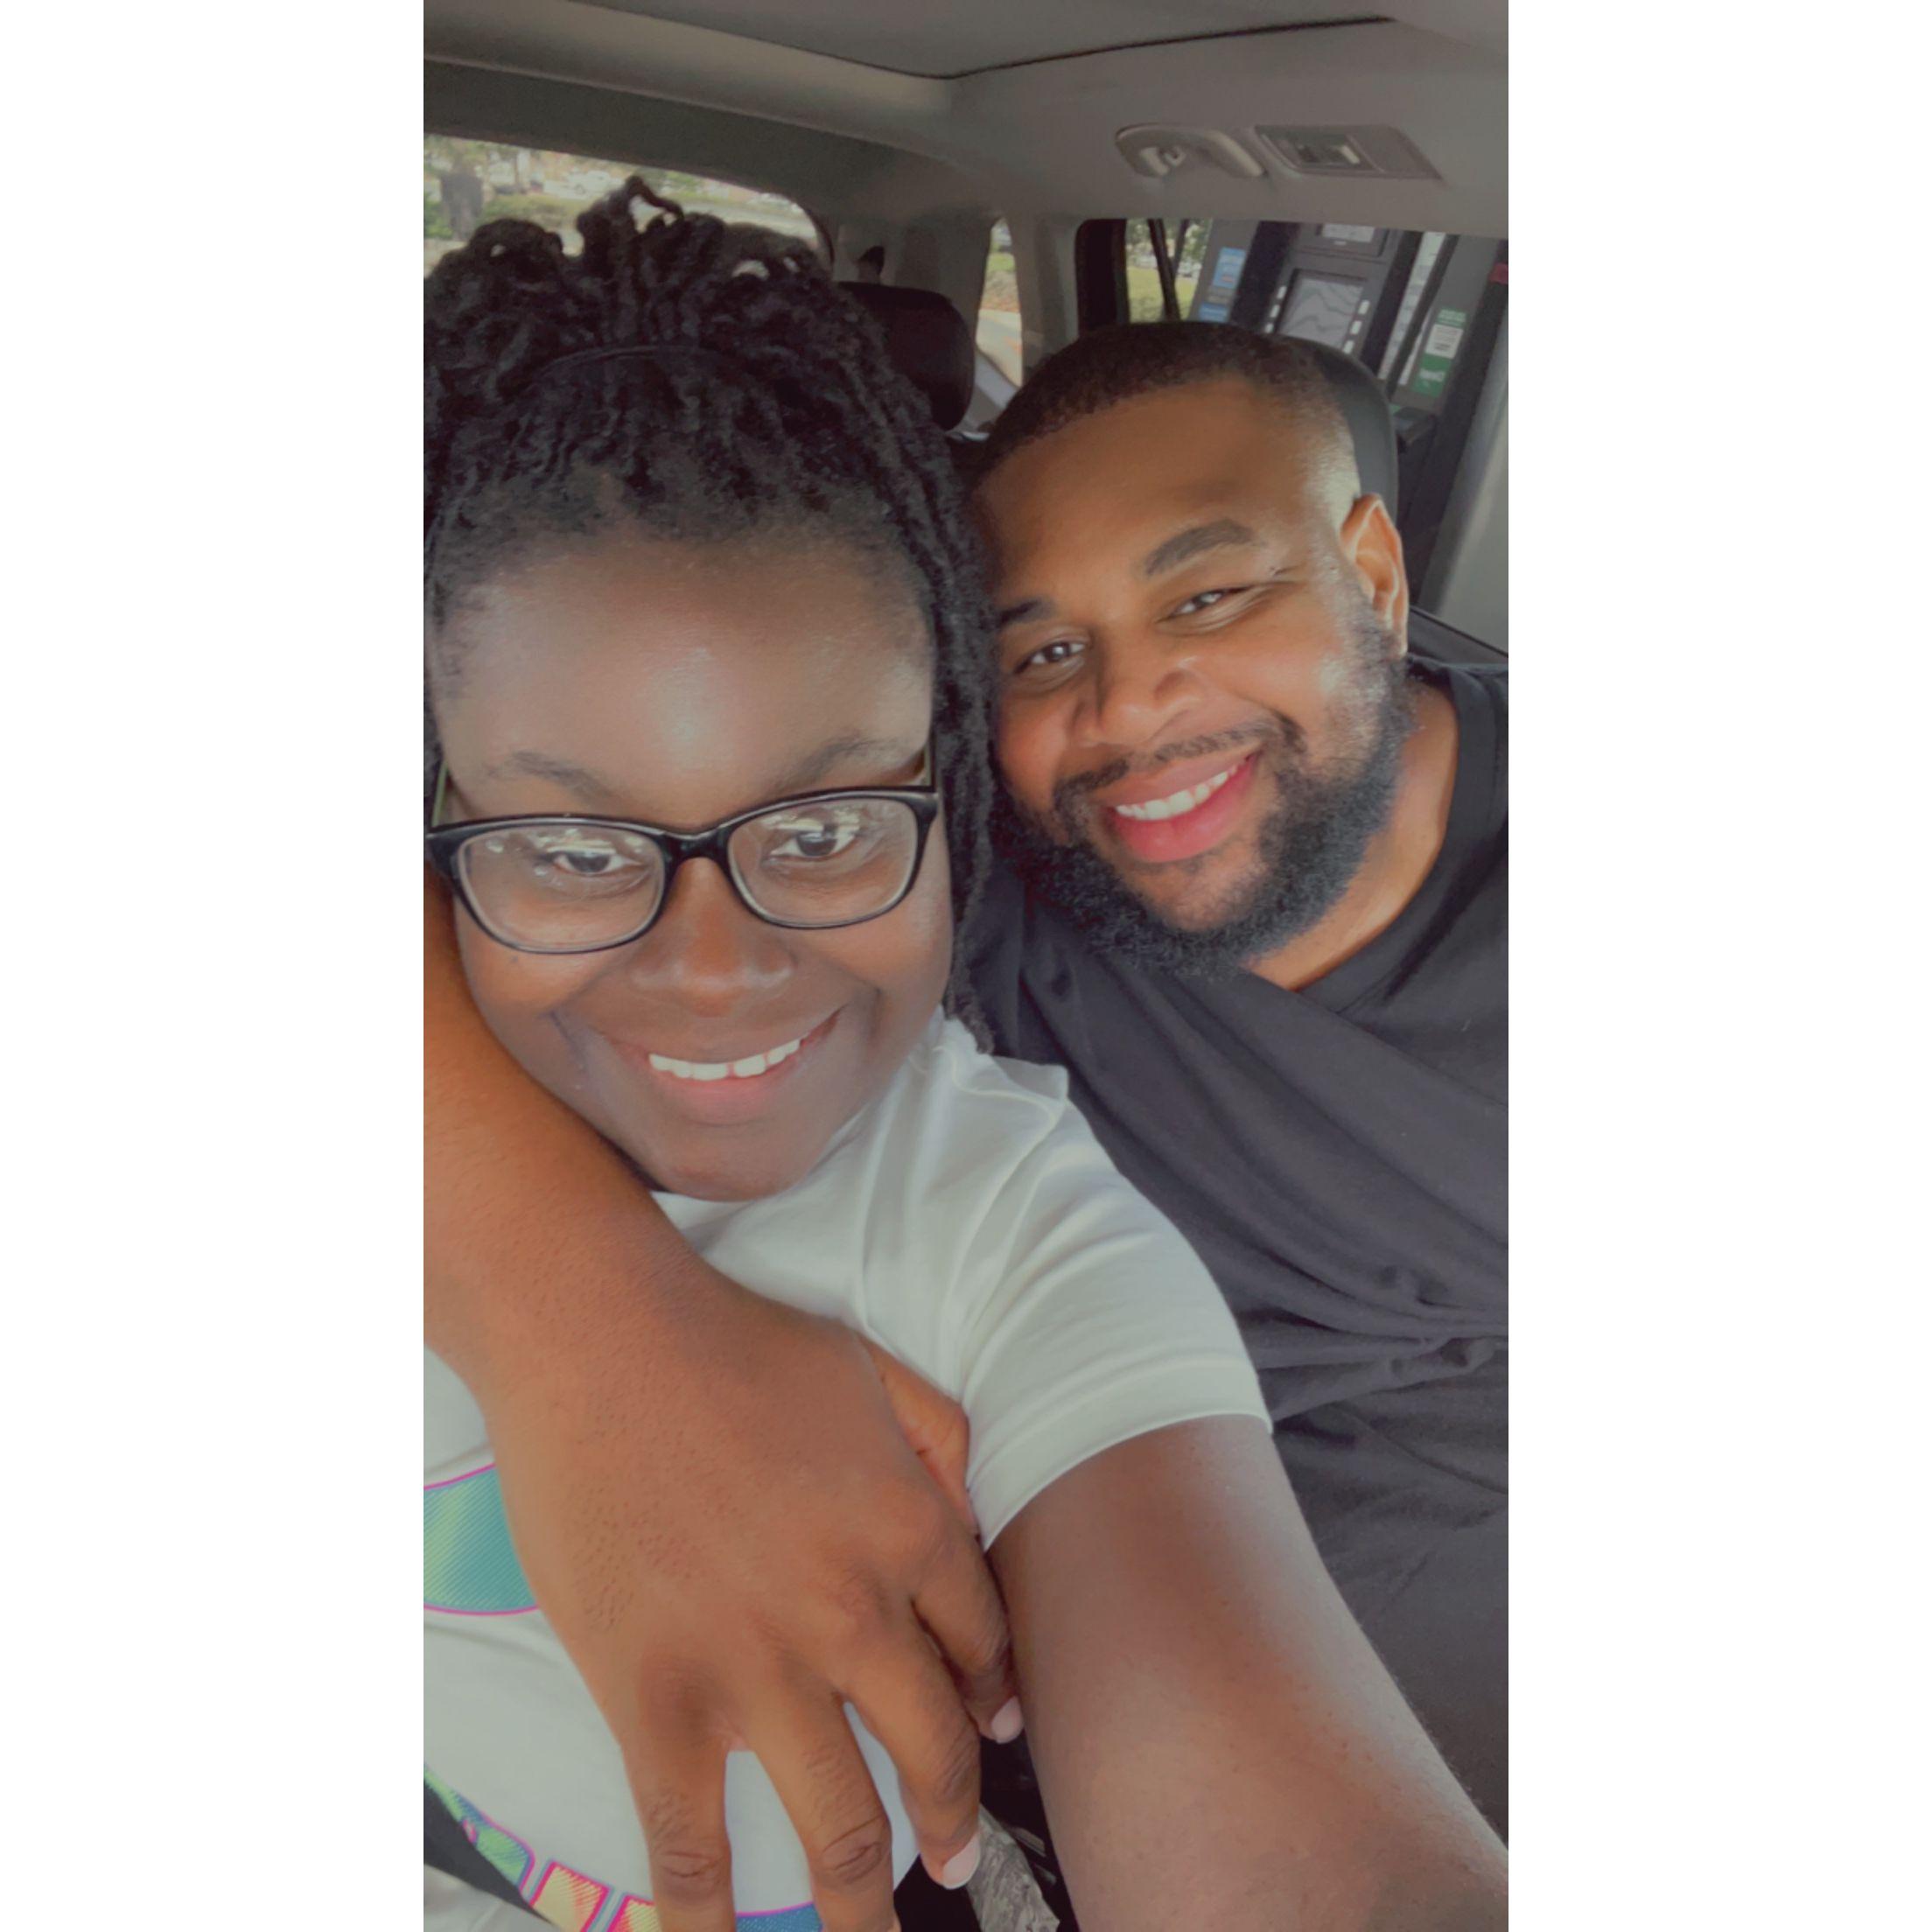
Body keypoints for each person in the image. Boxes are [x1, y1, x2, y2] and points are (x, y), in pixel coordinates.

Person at [422, 183, 1504, 1932]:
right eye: (570, 846)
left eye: (828, 829)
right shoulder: (1030, 907)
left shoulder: (1008, 1204)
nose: (715, 968)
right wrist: (586, 1326)